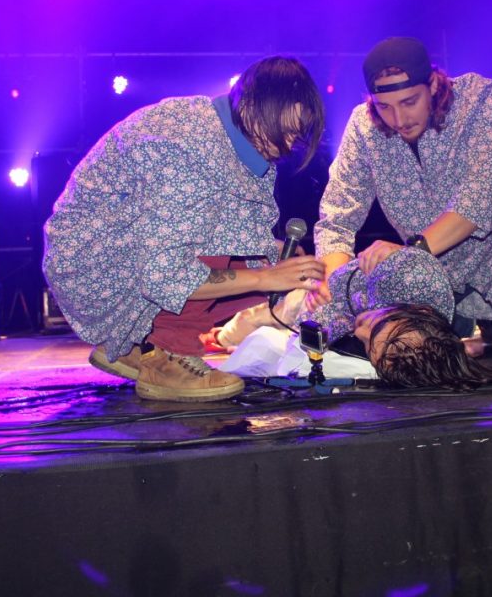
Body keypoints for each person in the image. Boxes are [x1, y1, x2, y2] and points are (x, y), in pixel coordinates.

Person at [43, 56, 327, 402]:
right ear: (251, 105)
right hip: (91, 266)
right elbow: (163, 274)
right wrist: (265, 277)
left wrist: (272, 261)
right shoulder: (190, 147)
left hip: (120, 256)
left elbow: (225, 229)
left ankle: (134, 345)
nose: (288, 145)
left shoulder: (229, 137)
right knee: (260, 273)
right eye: (282, 129)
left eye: (296, 134)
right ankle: (167, 354)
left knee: (269, 265)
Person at [312, 36, 492, 358]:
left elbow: (478, 200)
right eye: (384, 107)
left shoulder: (481, 99)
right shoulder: (362, 127)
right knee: (411, 346)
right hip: (433, 267)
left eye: (409, 102)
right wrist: (333, 283)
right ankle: (468, 317)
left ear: (434, 85)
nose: (399, 120)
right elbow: (337, 216)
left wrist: (410, 253)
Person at [214, 246, 492, 390]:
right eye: (375, 328)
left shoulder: (392, 337)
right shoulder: (413, 278)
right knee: (266, 317)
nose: (360, 333)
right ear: (420, 311)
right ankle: (222, 335)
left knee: (277, 340)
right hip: (324, 286)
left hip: (330, 309)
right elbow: (326, 297)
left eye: (369, 346)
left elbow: (311, 338)